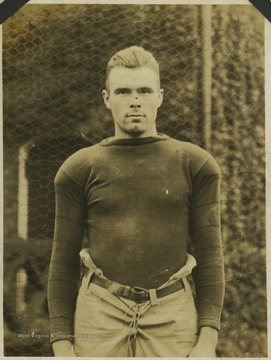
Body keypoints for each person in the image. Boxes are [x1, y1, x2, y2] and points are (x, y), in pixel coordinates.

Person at [48, 46, 225, 357]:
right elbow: (62, 263)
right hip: (100, 315)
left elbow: (210, 256)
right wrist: (62, 345)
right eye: (123, 91)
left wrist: (207, 341)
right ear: (106, 98)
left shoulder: (195, 164)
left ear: (160, 96)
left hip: (172, 315)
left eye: (144, 90)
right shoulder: (78, 168)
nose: (134, 100)